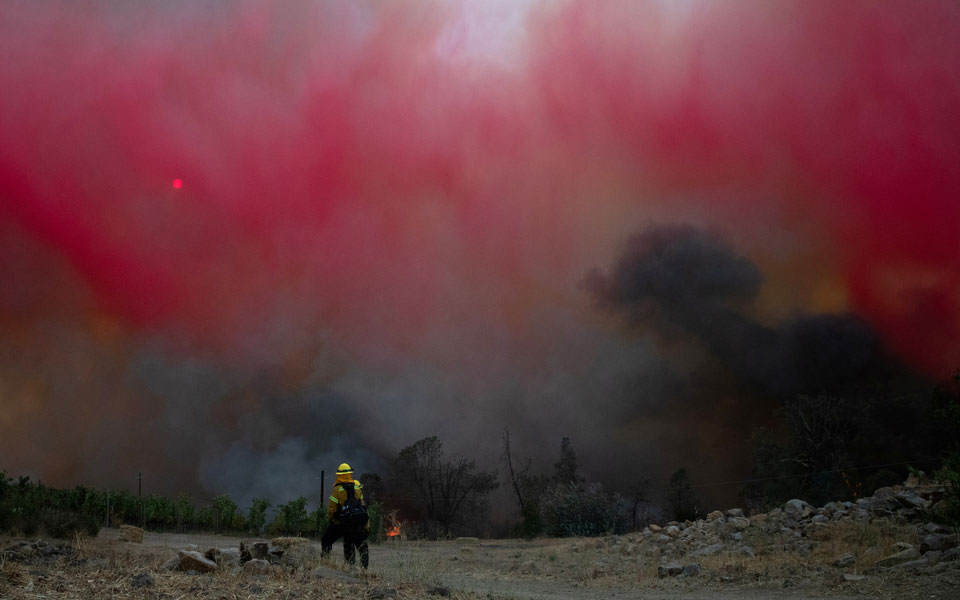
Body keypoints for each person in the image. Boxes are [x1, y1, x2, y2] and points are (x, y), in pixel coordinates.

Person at [321, 462, 369, 568]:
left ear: (339, 475)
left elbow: (332, 509)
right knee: (362, 546)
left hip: (342, 523)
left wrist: (332, 521)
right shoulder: (357, 489)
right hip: (357, 523)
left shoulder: (337, 490)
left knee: (326, 540)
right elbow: (363, 506)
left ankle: (325, 563)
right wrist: (366, 525)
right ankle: (365, 569)